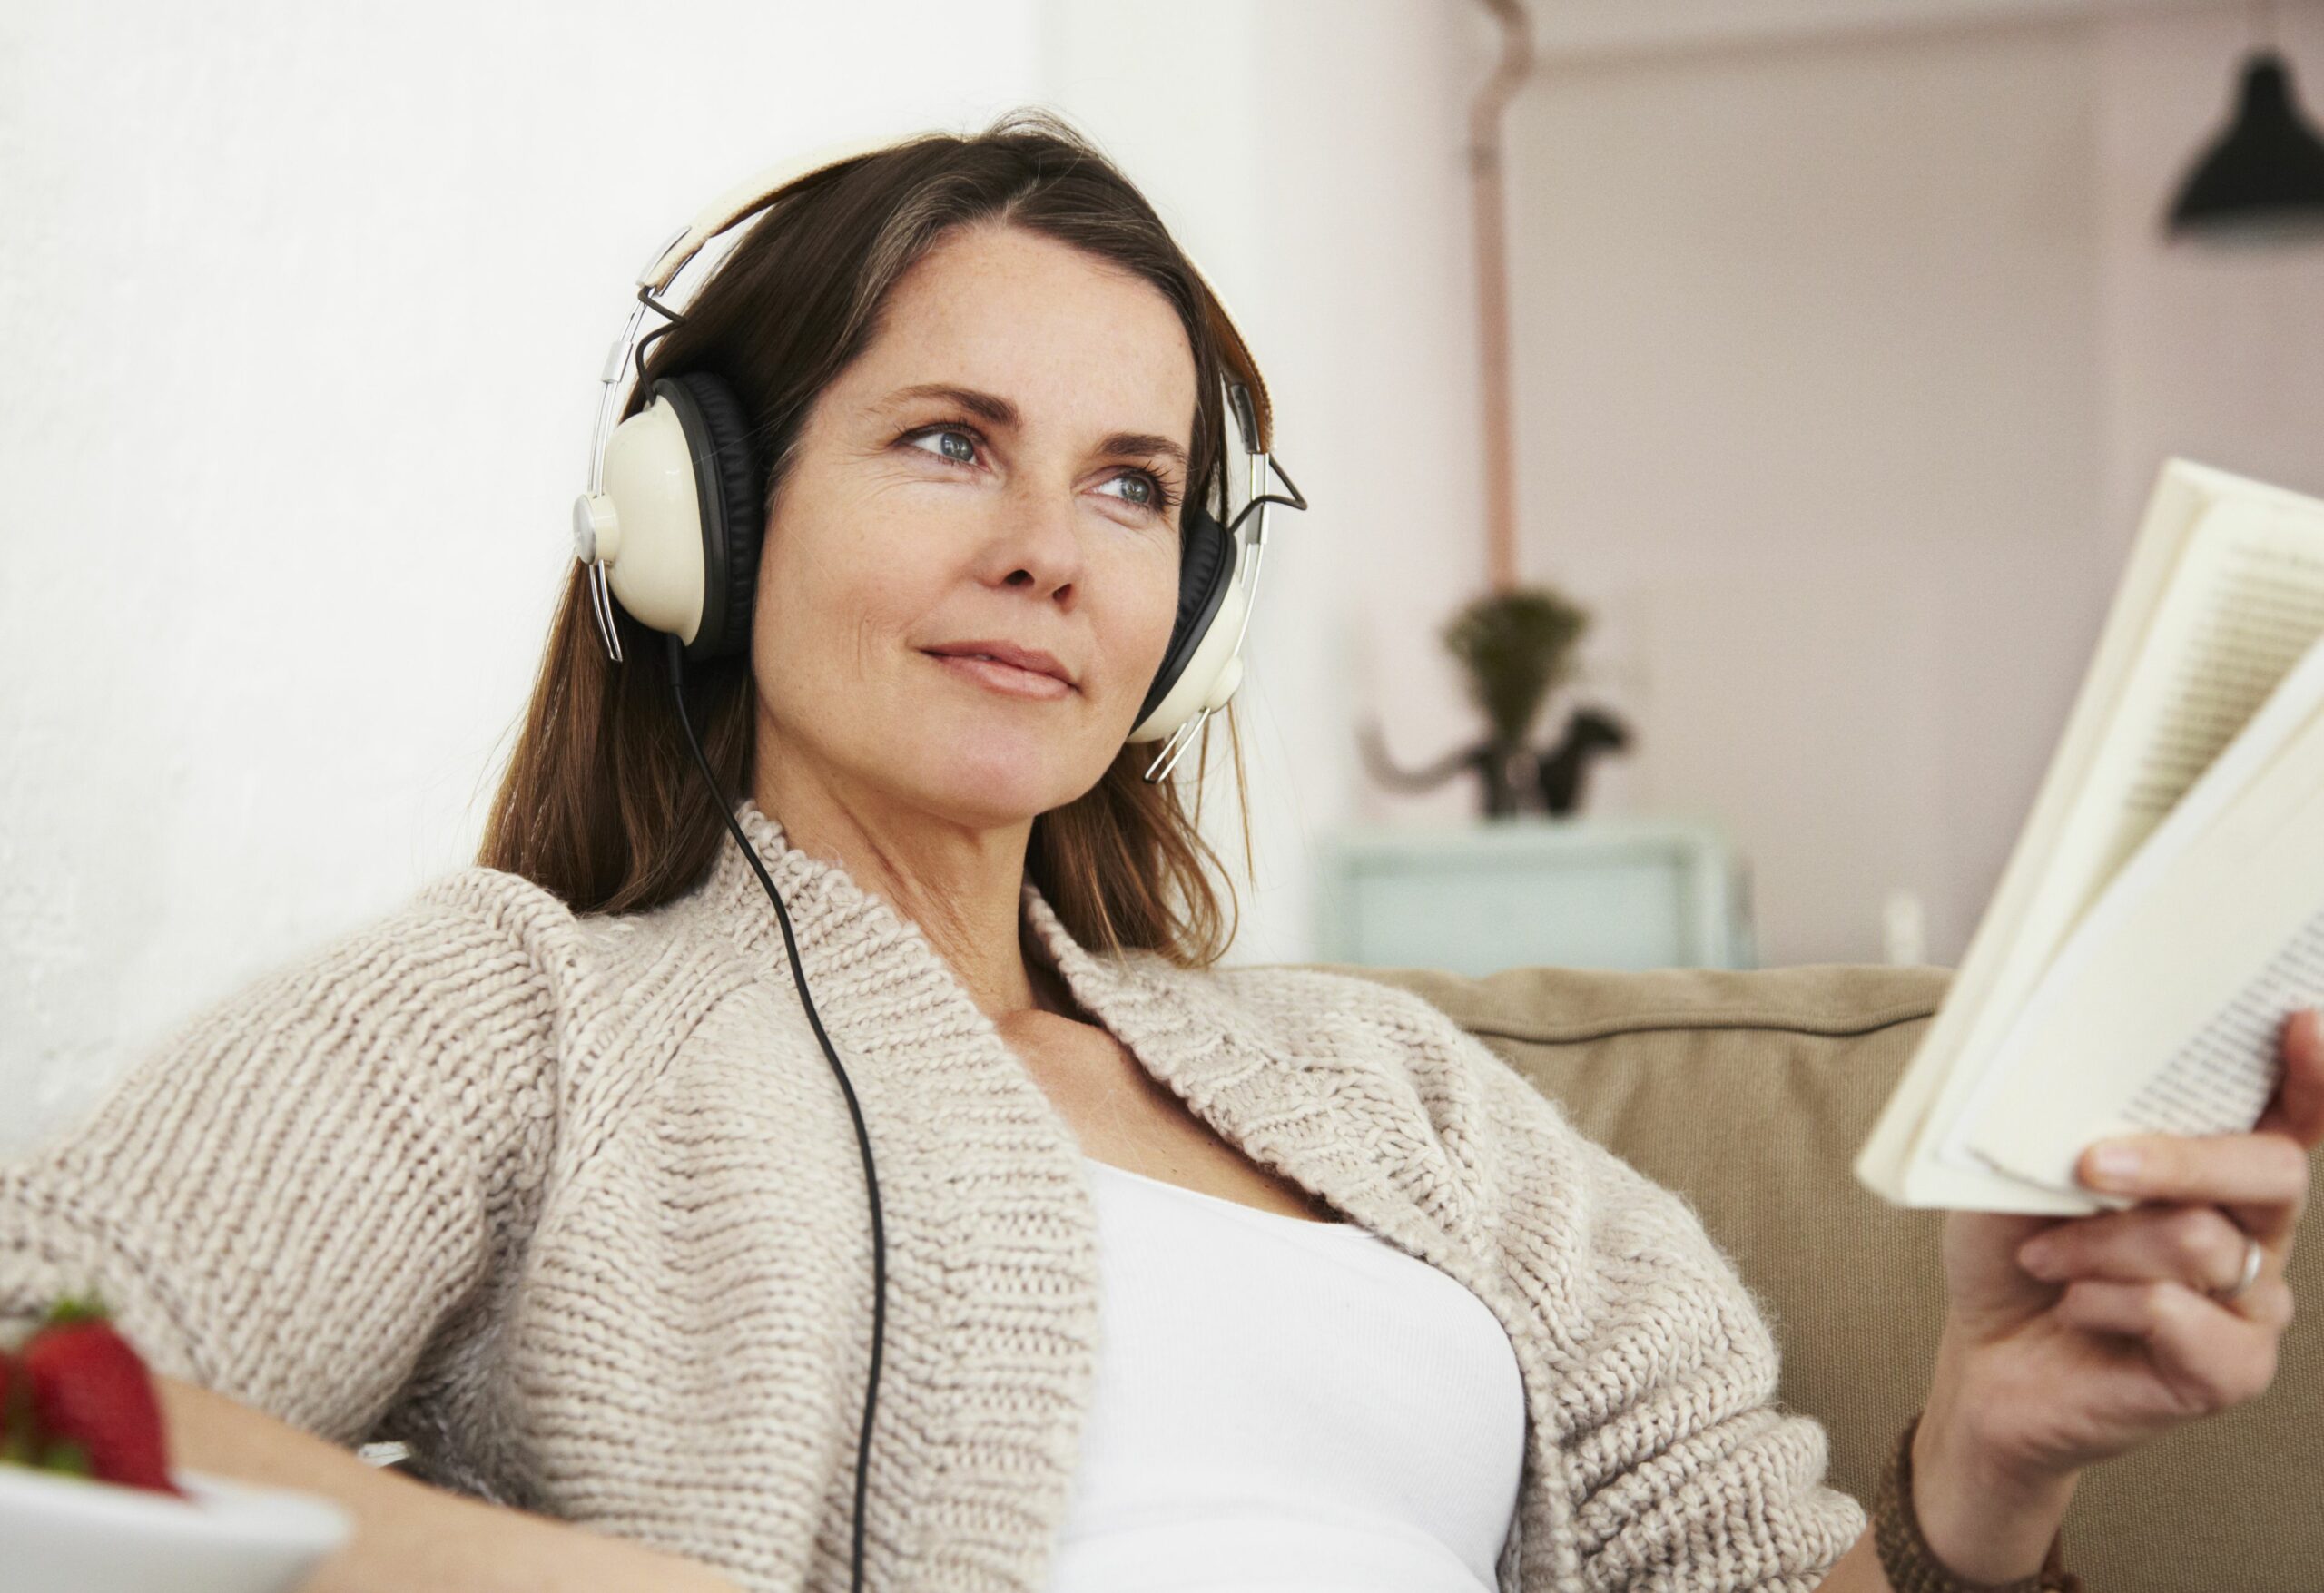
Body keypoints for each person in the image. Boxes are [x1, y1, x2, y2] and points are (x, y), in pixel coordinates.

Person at [2, 108, 2315, 1593]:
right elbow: (36, 1383)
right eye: (944, 441)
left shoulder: (1400, 1101)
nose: (1051, 551)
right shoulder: (518, 1012)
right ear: (698, 512)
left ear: (1188, 613)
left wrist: (1978, 1475)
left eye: (1131, 486)